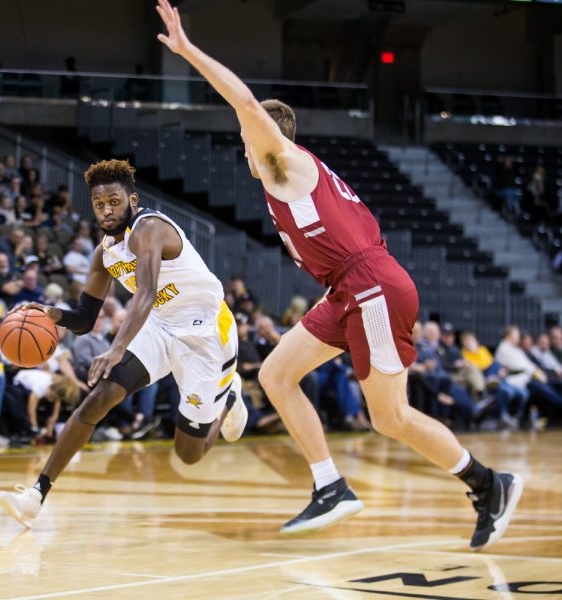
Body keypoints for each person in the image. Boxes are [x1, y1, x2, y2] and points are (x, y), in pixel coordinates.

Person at [153, 0, 520, 550]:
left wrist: (188, 52)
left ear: (264, 138)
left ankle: (488, 484)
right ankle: (330, 486)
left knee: (390, 418)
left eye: (247, 137)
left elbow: (245, 101)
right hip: (349, 289)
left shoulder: (282, 161)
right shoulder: (295, 178)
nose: (243, 147)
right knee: (277, 375)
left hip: (370, 285)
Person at [0, 159, 247, 527]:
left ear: (132, 199)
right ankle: (36, 494)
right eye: (99, 205)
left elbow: (144, 294)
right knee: (98, 397)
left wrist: (115, 349)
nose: (107, 210)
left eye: (114, 201)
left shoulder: (150, 229)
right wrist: (51, 314)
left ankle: (229, 398)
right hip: (159, 327)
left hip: (205, 333)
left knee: (189, 453)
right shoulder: (104, 253)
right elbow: (83, 320)